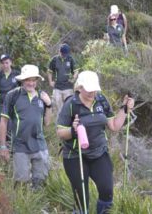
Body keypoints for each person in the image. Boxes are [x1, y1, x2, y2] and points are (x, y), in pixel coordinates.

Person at [56, 71, 135, 213]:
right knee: (82, 199)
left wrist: (124, 109)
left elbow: (114, 126)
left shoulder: (102, 100)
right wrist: (73, 130)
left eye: (94, 88)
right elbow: (60, 132)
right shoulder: (71, 104)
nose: (92, 92)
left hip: (99, 152)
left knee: (107, 191)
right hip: (75, 155)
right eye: (88, 88)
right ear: (79, 88)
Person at [0, 64, 52, 189]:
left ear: (37, 81)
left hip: (40, 145)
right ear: (22, 80)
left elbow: (47, 123)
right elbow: (3, 122)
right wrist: (2, 146)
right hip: (20, 146)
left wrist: (49, 105)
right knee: (21, 183)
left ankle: (37, 207)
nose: (31, 83)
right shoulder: (13, 95)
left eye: (34, 80)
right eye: (28, 80)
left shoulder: (42, 96)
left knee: (40, 182)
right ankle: (22, 206)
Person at [47, 43, 79, 115]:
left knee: (69, 108)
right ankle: (58, 124)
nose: (64, 55)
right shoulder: (54, 60)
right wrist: (50, 81)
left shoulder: (70, 59)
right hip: (57, 87)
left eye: (66, 54)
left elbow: (76, 71)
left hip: (68, 87)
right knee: (58, 108)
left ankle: (69, 124)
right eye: (63, 54)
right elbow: (49, 71)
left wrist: (73, 79)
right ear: (59, 52)